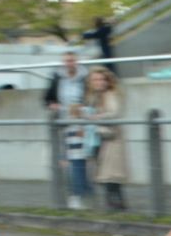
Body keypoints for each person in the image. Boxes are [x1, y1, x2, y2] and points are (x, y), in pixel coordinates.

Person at [44, 51, 91, 209]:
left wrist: (84, 109)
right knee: (70, 160)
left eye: (71, 60)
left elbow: (91, 97)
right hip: (64, 123)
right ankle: (76, 194)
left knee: (82, 159)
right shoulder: (57, 77)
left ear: (76, 62)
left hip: (82, 122)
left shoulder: (85, 77)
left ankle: (82, 192)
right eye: (66, 61)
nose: (69, 63)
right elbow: (47, 98)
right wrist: (53, 105)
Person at [86, 66, 128, 212]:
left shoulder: (111, 94)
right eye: (95, 79)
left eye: (101, 79)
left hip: (111, 136)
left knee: (112, 172)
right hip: (99, 137)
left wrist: (96, 117)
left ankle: (116, 203)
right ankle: (112, 202)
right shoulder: (94, 97)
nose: (98, 82)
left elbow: (114, 113)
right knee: (104, 171)